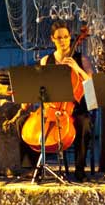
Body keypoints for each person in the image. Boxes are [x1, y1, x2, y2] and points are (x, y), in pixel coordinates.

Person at [32, 20, 95, 181]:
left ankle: (79, 169)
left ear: (70, 37)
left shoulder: (81, 59)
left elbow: (91, 85)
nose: (63, 41)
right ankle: (35, 167)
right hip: (52, 107)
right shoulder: (46, 61)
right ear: (52, 39)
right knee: (29, 124)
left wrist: (77, 69)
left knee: (84, 123)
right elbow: (39, 86)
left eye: (66, 37)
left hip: (75, 109)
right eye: (59, 38)